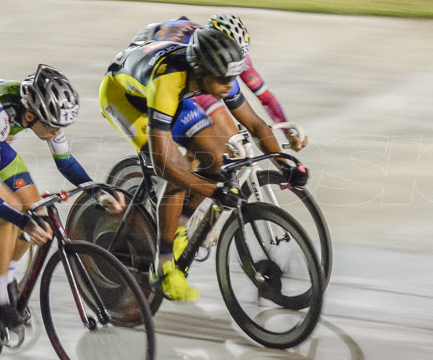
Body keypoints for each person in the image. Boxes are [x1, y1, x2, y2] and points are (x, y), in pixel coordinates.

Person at [99, 27, 308, 302]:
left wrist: (285, 164)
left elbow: (256, 124)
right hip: (123, 98)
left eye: (231, 78)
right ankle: (161, 267)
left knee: (218, 161)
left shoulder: (219, 76)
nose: (228, 85)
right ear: (200, 70)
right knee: (176, 172)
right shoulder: (168, 81)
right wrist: (212, 191)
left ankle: (180, 227)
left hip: (173, 94)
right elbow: (164, 165)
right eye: (222, 80)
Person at [0, 66, 126, 334]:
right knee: (10, 217)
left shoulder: (40, 111)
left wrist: (96, 192)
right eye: (53, 127)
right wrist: (22, 220)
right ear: (31, 115)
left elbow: (65, 163)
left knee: (38, 213)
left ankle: (7, 276)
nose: (57, 133)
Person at [129, 13, 308, 152]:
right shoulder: (196, 54)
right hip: (147, 60)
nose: (236, 63)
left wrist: (287, 131)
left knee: (226, 140)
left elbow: (264, 96)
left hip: (174, 44)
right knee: (219, 142)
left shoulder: (232, 56)